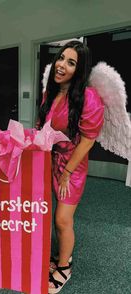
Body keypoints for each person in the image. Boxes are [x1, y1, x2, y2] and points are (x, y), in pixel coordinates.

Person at [37, 40, 104, 293]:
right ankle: (63, 254)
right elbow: (44, 128)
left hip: (71, 166)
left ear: (80, 70)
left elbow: (87, 142)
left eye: (71, 62)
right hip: (50, 161)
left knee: (63, 219)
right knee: (52, 217)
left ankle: (64, 267)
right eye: (61, 58)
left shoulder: (89, 97)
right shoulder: (50, 93)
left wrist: (66, 173)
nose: (62, 65)